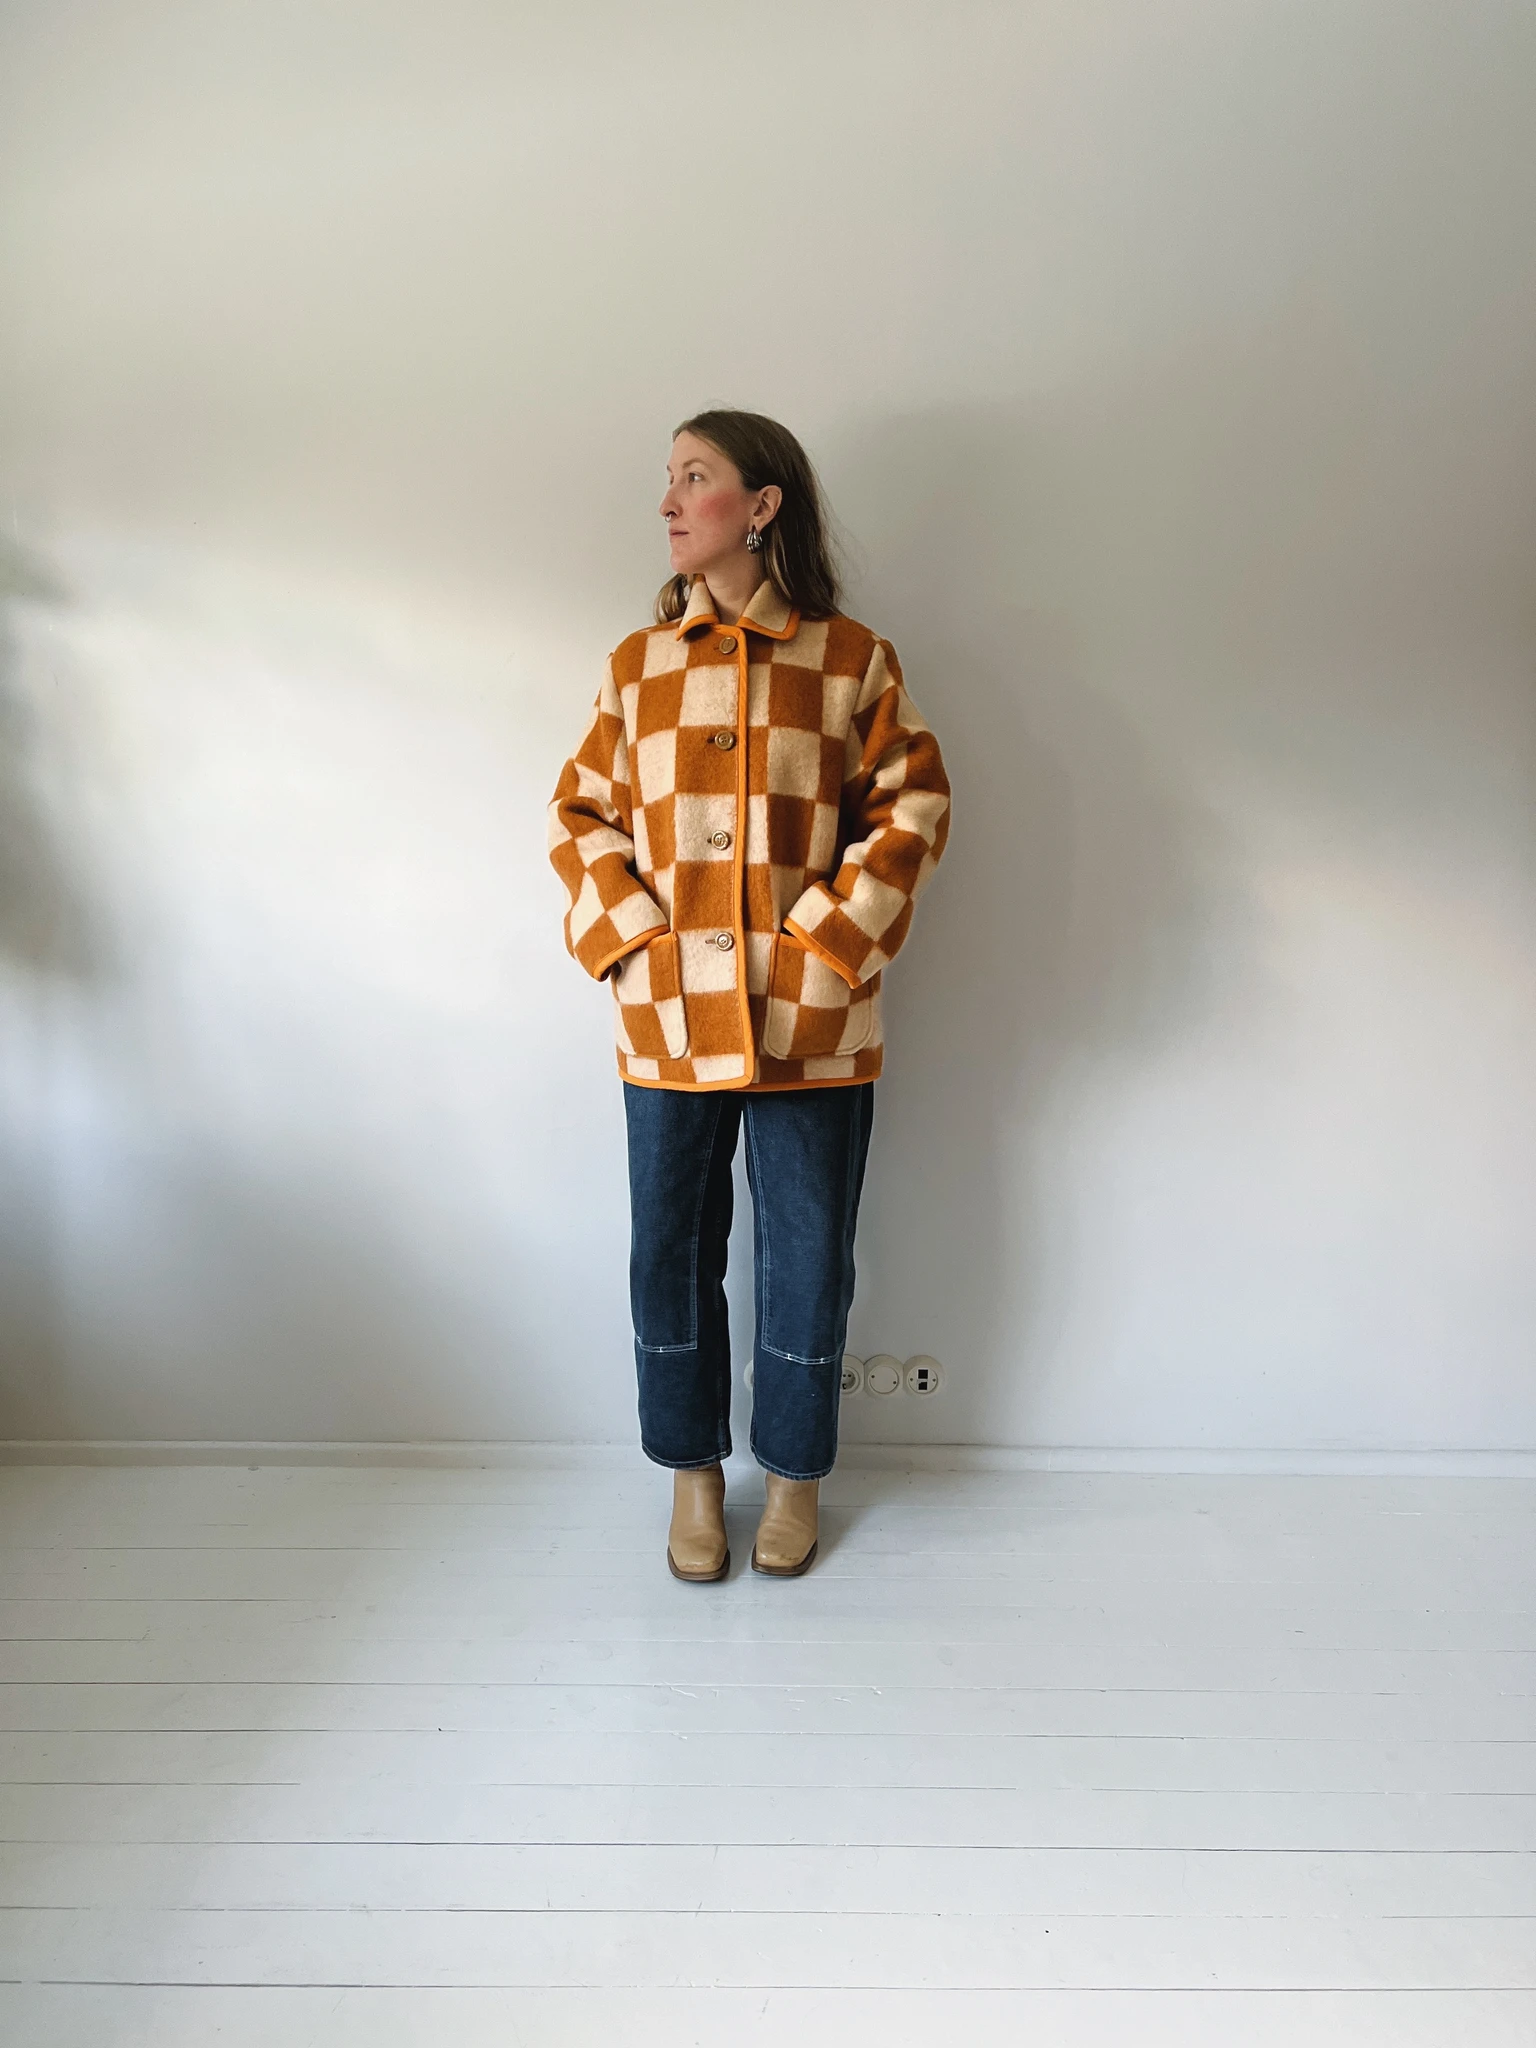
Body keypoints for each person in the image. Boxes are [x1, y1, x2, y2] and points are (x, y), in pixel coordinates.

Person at [548, 409, 950, 1582]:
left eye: (696, 476)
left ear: (762, 504)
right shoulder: (638, 666)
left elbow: (913, 807)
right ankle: (691, 1475)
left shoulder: (850, 659)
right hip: (671, 1017)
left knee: (808, 1256)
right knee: (669, 1252)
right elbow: (582, 816)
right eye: (668, 479)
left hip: (808, 1019)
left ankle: (793, 1477)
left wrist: (829, 945)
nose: (670, 501)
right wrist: (635, 945)